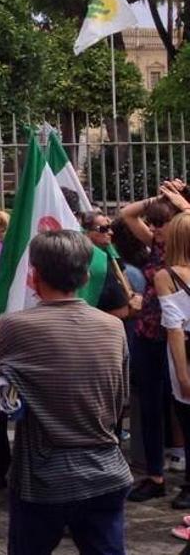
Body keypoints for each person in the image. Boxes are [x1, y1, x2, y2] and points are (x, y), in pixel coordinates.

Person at [0, 231, 130, 554]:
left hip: (42, 478)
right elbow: (119, 399)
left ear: (34, 276)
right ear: (86, 275)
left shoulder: (16, 326)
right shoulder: (113, 327)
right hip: (105, 469)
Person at [119, 185, 182, 501]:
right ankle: (155, 475)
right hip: (148, 332)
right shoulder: (155, 246)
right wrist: (159, 199)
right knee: (150, 405)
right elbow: (127, 214)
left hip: (178, 336)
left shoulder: (184, 248)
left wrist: (183, 205)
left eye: (162, 222)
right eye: (153, 223)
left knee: (183, 407)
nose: (155, 229)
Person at [158, 213, 190, 525]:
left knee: (186, 420)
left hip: (185, 356)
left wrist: (182, 374)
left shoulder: (166, 276)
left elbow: (174, 328)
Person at [83, 209, 138, 319]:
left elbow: (127, 286)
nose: (111, 232)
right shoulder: (87, 263)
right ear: (87, 232)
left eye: (110, 227)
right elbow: (121, 312)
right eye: (104, 229)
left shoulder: (112, 255)